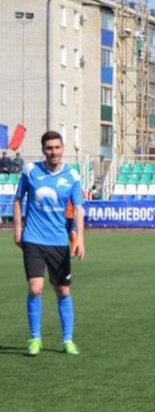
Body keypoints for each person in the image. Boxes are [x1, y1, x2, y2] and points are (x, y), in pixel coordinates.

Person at [13, 130, 85, 356]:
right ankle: (35, 338)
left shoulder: (72, 176)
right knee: (35, 289)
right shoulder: (31, 171)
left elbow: (79, 207)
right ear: (43, 150)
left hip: (59, 241)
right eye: (49, 148)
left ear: (62, 149)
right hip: (33, 238)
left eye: (57, 147)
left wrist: (80, 236)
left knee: (63, 290)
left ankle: (67, 340)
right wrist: (17, 229)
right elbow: (18, 198)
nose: (53, 152)